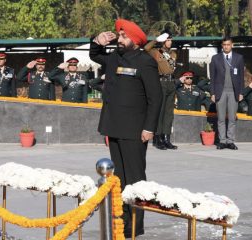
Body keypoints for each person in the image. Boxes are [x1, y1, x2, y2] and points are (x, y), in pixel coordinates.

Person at [90, 19, 162, 237]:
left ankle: (135, 227)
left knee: (135, 179)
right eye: (118, 36)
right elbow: (95, 55)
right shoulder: (114, 57)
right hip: (115, 127)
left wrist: (149, 128)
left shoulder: (145, 61)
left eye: (123, 36)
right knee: (118, 179)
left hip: (135, 130)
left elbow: (156, 97)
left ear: (135, 40)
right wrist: (97, 41)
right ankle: (120, 221)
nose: (119, 39)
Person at [209, 36, 244, 150]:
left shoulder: (239, 58)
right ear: (222, 46)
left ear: (232, 45)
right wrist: (212, 93)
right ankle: (222, 141)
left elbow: (241, 77)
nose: (226, 47)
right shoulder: (215, 58)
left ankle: (230, 141)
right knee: (221, 118)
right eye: (224, 45)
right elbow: (212, 78)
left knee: (232, 118)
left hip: (233, 91)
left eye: (228, 44)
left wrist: (241, 92)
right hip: (220, 91)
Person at [144, 30, 178, 150]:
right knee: (161, 111)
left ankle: (166, 139)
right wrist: (156, 40)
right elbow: (146, 48)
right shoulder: (156, 52)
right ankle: (158, 139)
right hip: (161, 82)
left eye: (170, 39)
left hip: (171, 83)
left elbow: (172, 68)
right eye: (168, 39)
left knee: (169, 113)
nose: (170, 42)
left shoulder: (173, 54)